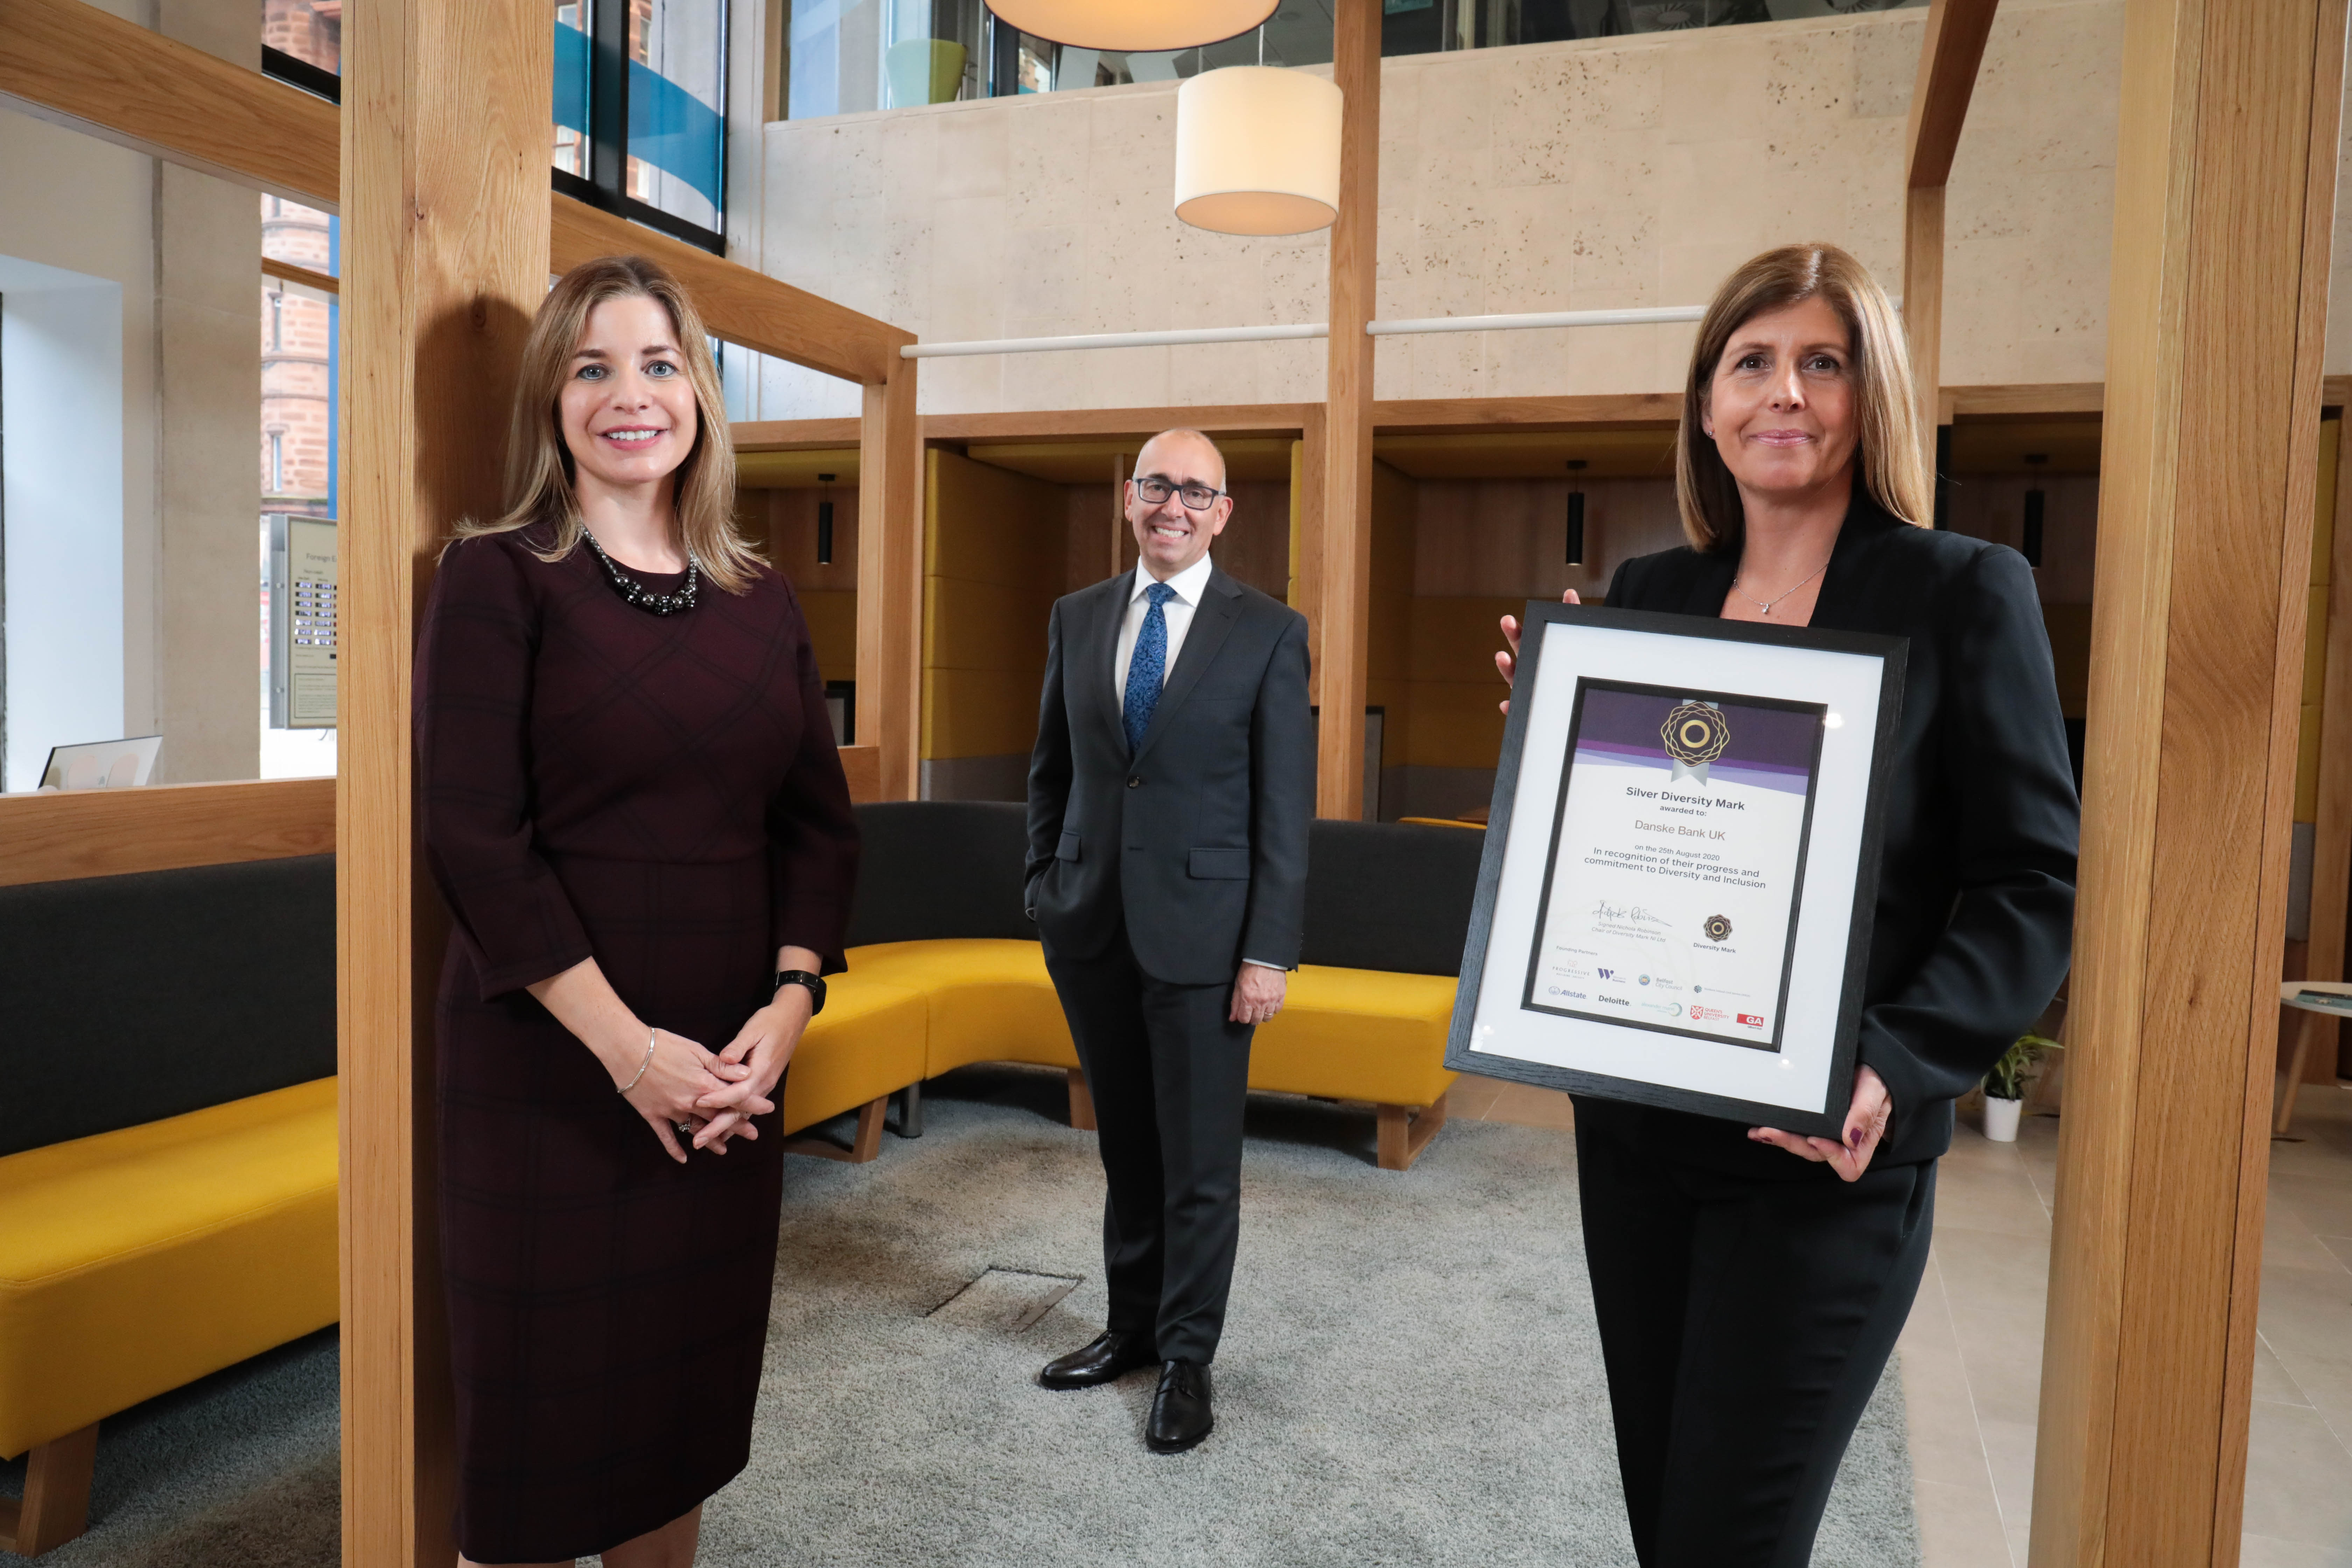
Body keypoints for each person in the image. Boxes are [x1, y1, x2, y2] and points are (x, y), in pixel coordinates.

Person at [1497, 244, 2078, 1566]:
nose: (1787, 394)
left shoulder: (1963, 589)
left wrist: (1888, 1062)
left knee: (1731, 1540)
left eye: (1825, 362)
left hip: (1830, 1159)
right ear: (1706, 402)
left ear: (1872, 397)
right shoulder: (1650, 595)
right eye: (1752, 362)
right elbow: (1623, 841)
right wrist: (1553, 733)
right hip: (1639, 1142)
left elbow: (2032, 880)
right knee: (1667, 1524)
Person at [416, 255, 859, 1568]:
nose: (631, 395)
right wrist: (631, 1054)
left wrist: (786, 1011)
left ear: (701, 394)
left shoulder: (761, 597)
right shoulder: (498, 577)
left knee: (681, 1397)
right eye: (592, 366)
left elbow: (815, 826)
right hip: (552, 1057)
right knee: (541, 1417)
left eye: (660, 364)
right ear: (552, 399)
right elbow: (474, 840)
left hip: (726, 1062)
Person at [1023, 428, 1314, 1454]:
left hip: (1208, 939)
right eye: (1157, 486)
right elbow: (1051, 771)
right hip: (1091, 923)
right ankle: (1132, 1329)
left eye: (1196, 491)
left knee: (1197, 1164)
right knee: (1127, 1152)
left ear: (1224, 512)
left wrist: (1268, 952)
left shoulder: (1270, 632)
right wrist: (1045, 887)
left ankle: (1188, 1360)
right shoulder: (1078, 617)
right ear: (1128, 496)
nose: (1173, 506)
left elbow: (1285, 809)